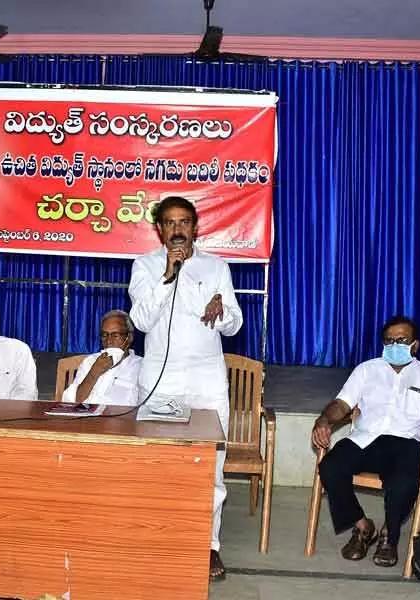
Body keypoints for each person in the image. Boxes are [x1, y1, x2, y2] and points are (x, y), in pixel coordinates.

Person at [127, 196, 242, 582]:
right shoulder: (144, 266)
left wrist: (220, 309)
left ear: (196, 227)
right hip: (161, 379)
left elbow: (235, 324)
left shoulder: (216, 266)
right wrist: (168, 275)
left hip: (207, 380)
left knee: (211, 470)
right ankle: (159, 541)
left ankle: (208, 547)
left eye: (184, 222)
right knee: (157, 468)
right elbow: (140, 322)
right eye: (170, 222)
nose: (177, 229)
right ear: (159, 228)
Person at [311, 316, 420, 568]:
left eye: (402, 340)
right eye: (389, 340)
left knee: (404, 482)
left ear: (415, 345)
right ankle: (362, 526)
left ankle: (389, 536)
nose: (395, 345)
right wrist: (324, 419)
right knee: (330, 467)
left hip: (406, 440)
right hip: (366, 438)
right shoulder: (367, 370)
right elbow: (342, 404)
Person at [60, 310, 142, 406]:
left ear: (129, 337)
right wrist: (94, 372)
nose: (109, 341)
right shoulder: (90, 361)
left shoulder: (140, 367)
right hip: (86, 419)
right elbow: (73, 402)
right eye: (104, 335)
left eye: (115, 335)